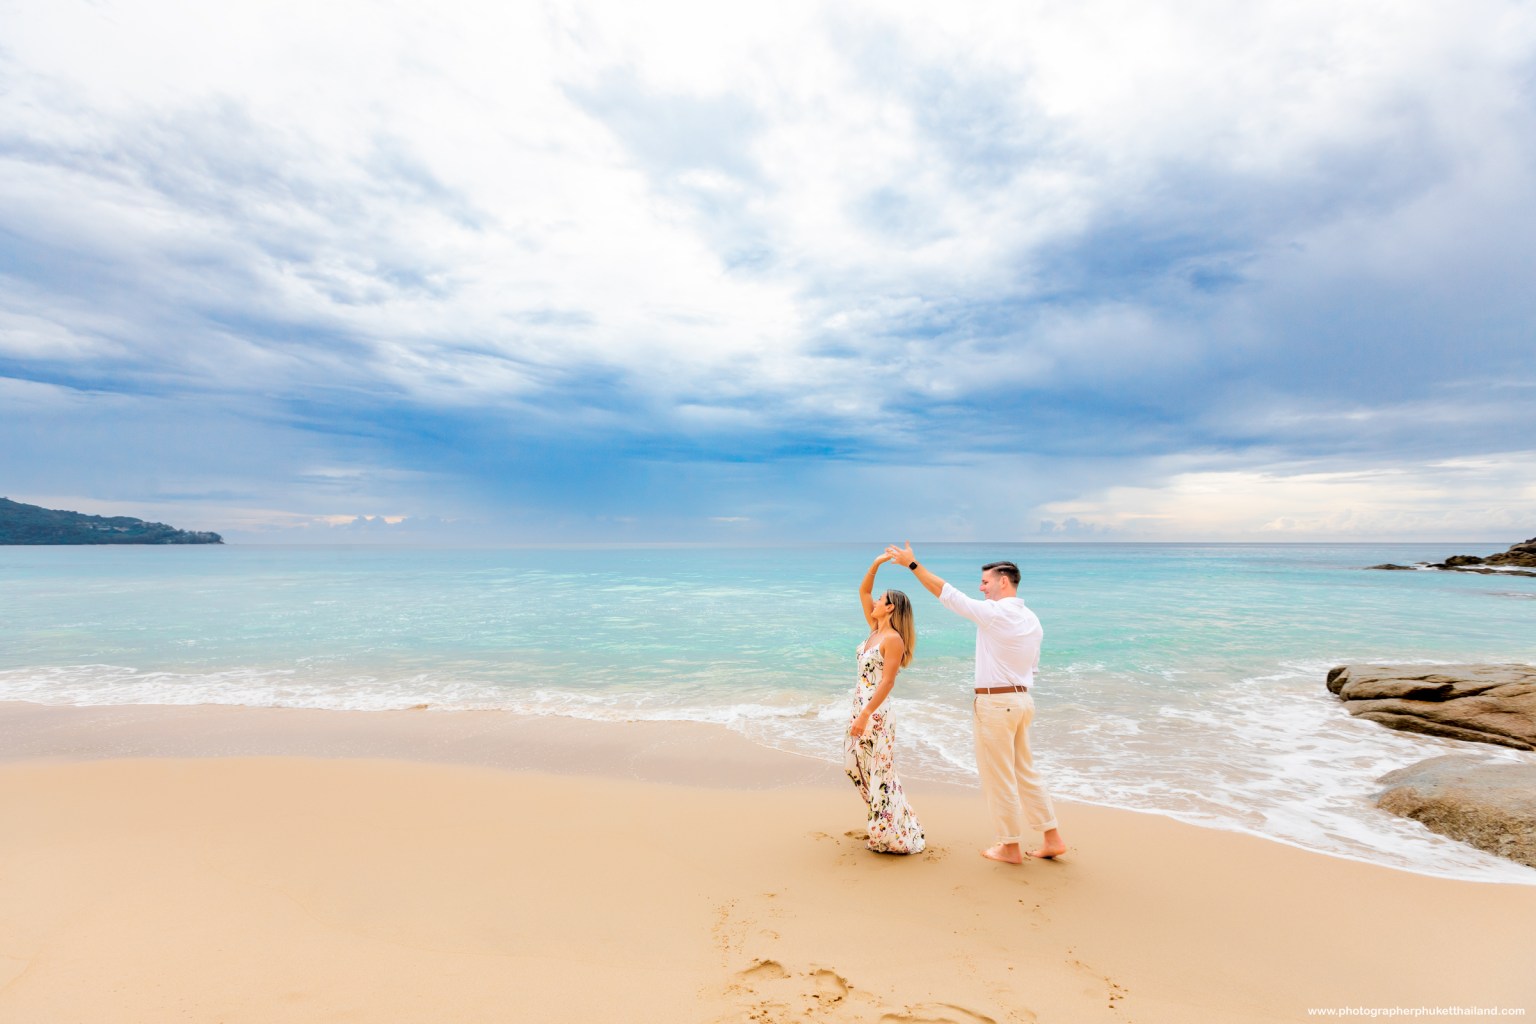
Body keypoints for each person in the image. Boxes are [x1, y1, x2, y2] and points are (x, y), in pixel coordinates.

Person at [884, 542, 1067, 863]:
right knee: (1026, 772)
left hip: (996, 705)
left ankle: (1009, 846)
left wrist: (913, 565)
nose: (981, 588)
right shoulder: (1032, 620)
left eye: (985, 582)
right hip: (1022, 700)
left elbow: (946, 593)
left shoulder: (995, 614)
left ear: (1003, 582)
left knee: (999, 778)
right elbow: (1032, 667)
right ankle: (1052, 838)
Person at [844, 552, 926, 855]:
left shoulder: (893, 639)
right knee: (854, 767)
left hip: (875, 714)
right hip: (860, 707)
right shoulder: (875, 631)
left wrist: (866, 714)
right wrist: (876, 563)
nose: (875, 602)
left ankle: (889, 832)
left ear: (890, 607)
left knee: (881, 773)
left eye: (881, 599)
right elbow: (863, 590)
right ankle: (886, 821)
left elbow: (888, 682)